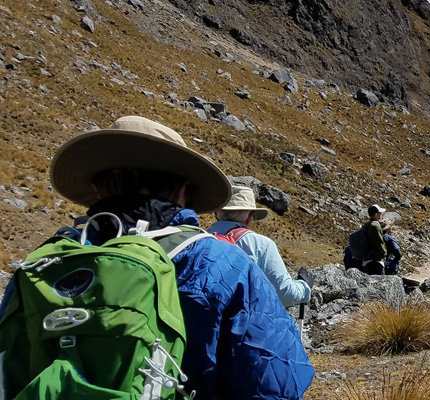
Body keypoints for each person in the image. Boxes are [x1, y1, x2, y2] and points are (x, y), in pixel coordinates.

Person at [31, 116, 313, 399]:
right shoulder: (223, 263)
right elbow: (274, 383)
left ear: (97, 188)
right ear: (182, 190)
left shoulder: (46, 261)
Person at [210, 185, 312, 307]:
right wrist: (304, 286)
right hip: (237, 323)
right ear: (250, 217)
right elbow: (285, 295)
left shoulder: (197, 238)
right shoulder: (261, 245)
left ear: (216, 214)